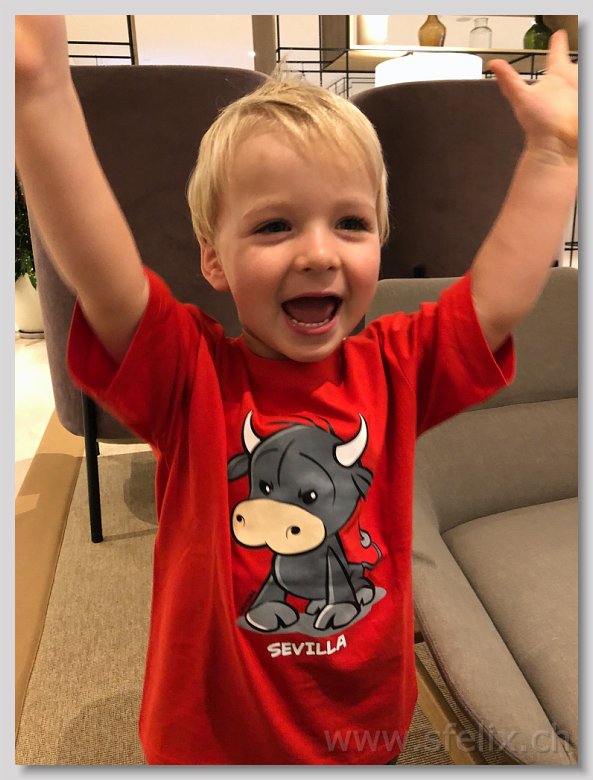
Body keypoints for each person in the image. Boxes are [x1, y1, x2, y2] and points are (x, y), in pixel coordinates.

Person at [15, 15, 577, 766]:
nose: (318, 253)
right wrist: (40, 96)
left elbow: (496, 302)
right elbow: (107, 280)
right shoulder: (188, 375)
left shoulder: (397, 366)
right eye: (275, 226)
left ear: (379, 242)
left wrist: (552, 156)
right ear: (214, 260)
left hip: (362, 728)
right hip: (213, 741)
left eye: (350, 223)